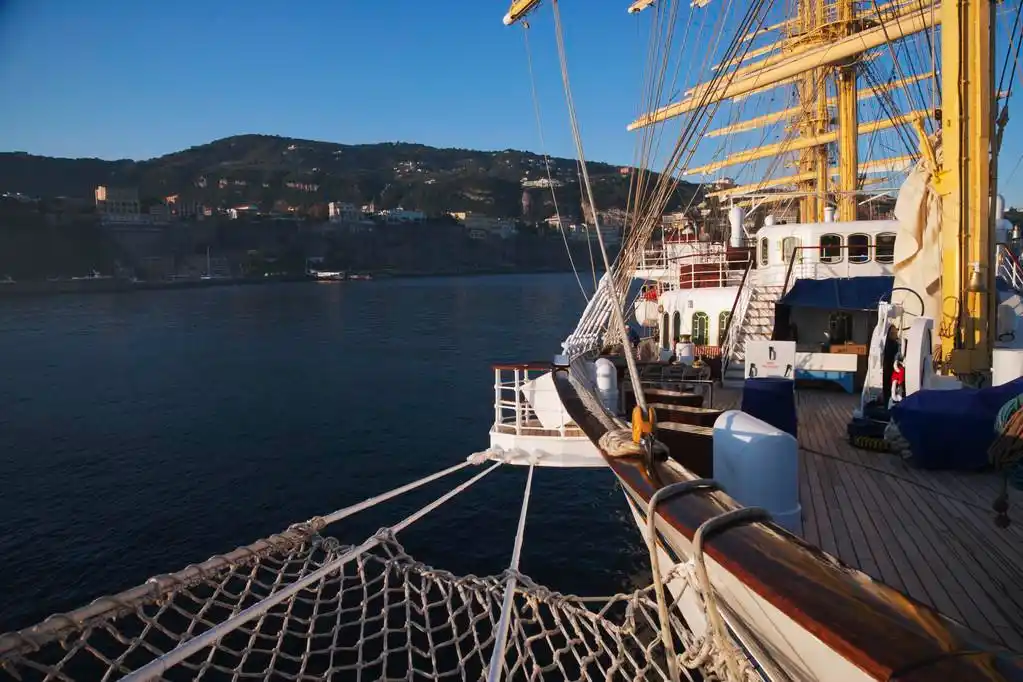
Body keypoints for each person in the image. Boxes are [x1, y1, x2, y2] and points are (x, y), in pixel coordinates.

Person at [882, 325, 900, 407]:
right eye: (893, 333)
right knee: (888, 387)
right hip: (887, 368)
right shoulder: (890, 344)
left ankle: (888, 403)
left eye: (895, 332)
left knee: (890, 387)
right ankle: (887, 404)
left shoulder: (895, 344)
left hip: (891, 369)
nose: (895, 334)